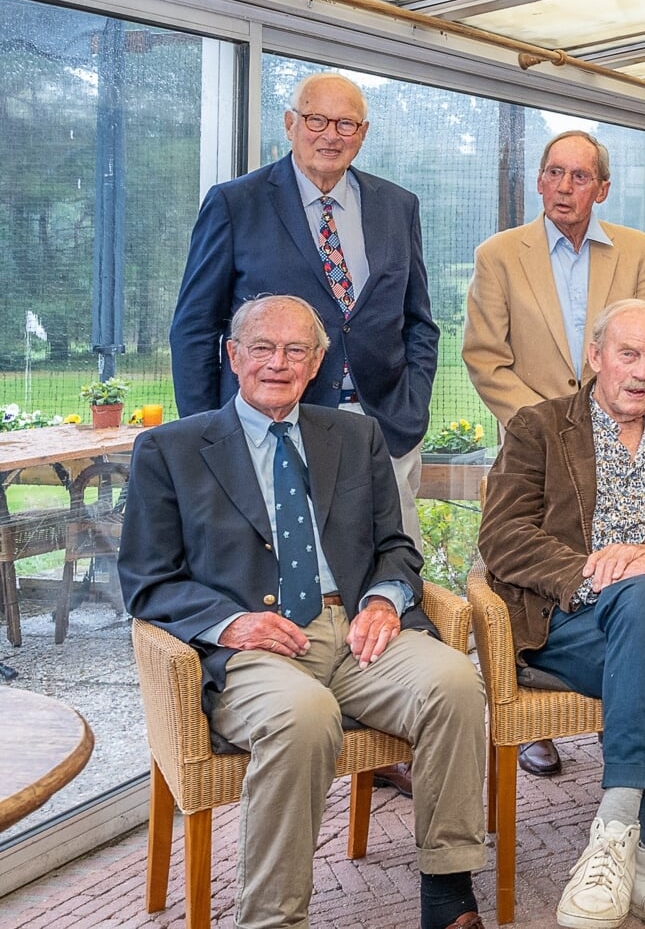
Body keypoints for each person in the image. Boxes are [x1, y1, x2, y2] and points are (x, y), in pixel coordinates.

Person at [119, 295, 486, 929]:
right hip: (248, 647)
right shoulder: (171, 451)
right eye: (262, 347)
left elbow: (396, 546)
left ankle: (448, 894)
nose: (278, 363)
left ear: (317, 363)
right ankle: (273, 918)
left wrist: (382, 598)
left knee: (455, 683)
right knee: (303, 715)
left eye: (296, 350)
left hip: (356, 630)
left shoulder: (354, 434)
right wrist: (231, 623)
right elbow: (147, 582)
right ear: (234, 356)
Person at [478, 300, 645, 929]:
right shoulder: (539, 428)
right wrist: (594, 568)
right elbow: (503, 535)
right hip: (567, 618)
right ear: (594, 358)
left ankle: (613, 837)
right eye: (628, 354)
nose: (641, 371)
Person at [464, 129, 645, 781]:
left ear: (601, 189)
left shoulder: (637, 252)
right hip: (533, 449)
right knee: (534, 572)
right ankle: (535, 717)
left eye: (579, 177)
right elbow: (484, 356)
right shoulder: (500, 255)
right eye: (553, 173)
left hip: (619, 445)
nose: (563, 187)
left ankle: (623, 718)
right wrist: (548, 431)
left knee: (615, 575)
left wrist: (604, 423)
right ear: (539, 181)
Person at [171, 71, 439, 549]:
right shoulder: (236, 204)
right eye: (317, 120)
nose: (330, 136)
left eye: (346, 124)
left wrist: (411, 407)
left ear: (363, 133)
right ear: (290, 122)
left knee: (392, 570)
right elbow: (194, 328)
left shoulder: (398, 205)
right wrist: (209, 434)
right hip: (273, 431)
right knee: (284, 574)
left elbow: (419, 322)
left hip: (383, 429)